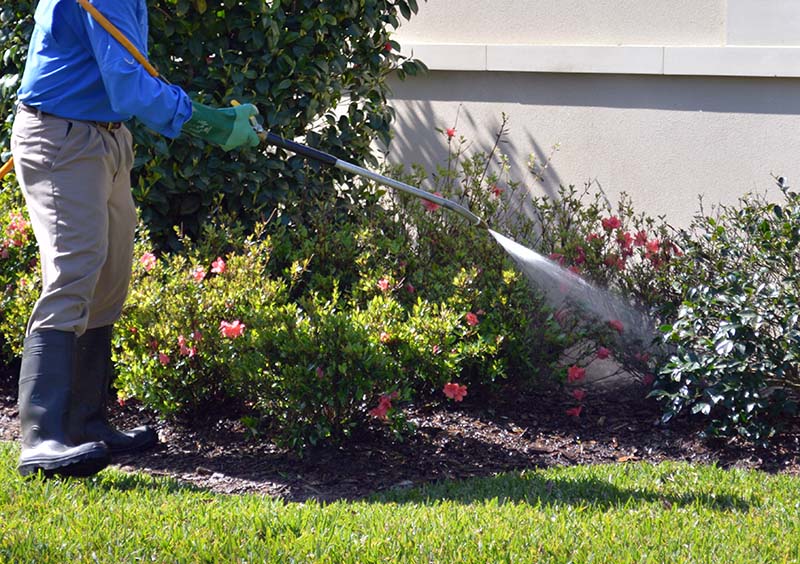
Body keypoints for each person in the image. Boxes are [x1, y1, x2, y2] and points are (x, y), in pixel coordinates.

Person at [11, 0, 261, 478]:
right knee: (73, 269)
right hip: (61, 138)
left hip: (106, 138)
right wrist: (208, 121)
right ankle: (40, 437)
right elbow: (127, 85)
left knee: (109, 277)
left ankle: (85, 423)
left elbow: (121, 78)